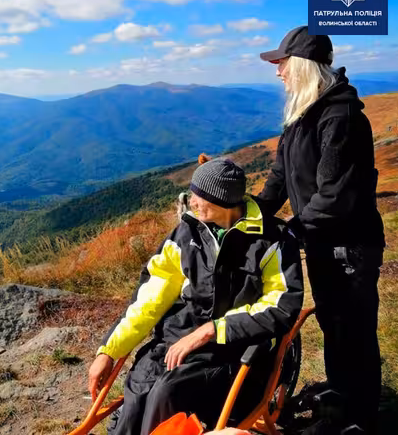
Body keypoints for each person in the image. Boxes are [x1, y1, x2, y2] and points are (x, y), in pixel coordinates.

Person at [88, 157, 304, 435]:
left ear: (222, 200)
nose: (191, 202)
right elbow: (150, 299)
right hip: (175, 344)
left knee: (166, 394)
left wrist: (211, 330)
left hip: (231, 353)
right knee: (137, 395)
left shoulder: (273, 240)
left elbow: (280, 307)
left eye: (199, 196)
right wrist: (108, 351)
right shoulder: (185, 233)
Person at [258, 26, 385, 434]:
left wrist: (293, 230)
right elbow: (280, 177)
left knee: (353, 329)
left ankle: (360, 419)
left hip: (350, 247)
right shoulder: (302, 114)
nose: (278, 72)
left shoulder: (340, 116)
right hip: (323, 243)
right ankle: (342, 394)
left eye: (282, 63)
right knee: (334, 321)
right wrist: (253, 216)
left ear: (302, 66)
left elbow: (335, 194)